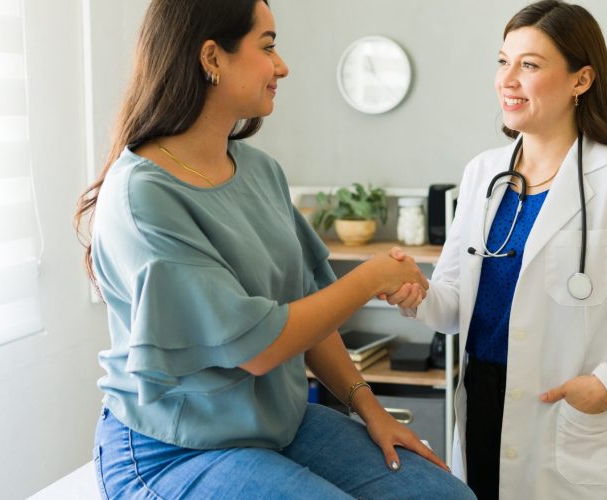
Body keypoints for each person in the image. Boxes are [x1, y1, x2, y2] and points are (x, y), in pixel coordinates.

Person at [73, 1, 475, 498]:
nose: (282, 65)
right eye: (267, 46)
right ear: (212, 58)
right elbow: (259, 348)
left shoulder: (261, 172)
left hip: (278, 427)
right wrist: (372, 278)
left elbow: (307, 312)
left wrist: (373, 412)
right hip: (173, 449)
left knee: (447, 495)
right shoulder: (143, 194)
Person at [383, 1, 607, 498]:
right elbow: (450, 305)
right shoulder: (482, 174)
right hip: (481, 408)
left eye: (529, 65)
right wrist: (416, 293)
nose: (507, 79)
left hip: (564, 416)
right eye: (502, 61)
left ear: (581, 80)